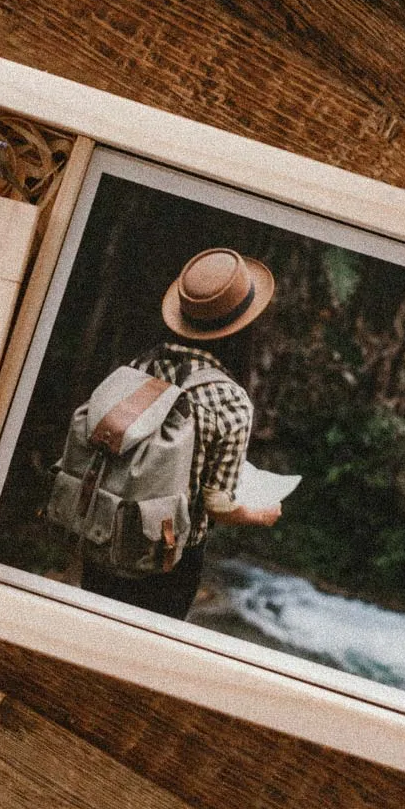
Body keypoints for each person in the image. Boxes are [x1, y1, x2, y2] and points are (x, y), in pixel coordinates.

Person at [79, 246, 281, 621]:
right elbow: (218, 505)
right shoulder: (231, 400)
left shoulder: (139, 366)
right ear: (243, 328)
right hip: (169, 560)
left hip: (104, 535)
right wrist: (260, 514)